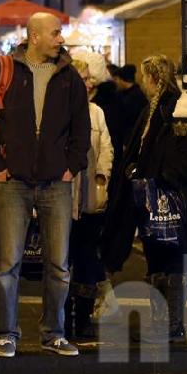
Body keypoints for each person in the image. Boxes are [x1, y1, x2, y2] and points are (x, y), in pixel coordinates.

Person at [0, 12, 91, 358]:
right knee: (8, 263)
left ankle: (53, 333)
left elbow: (81, 127)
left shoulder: (68, 76)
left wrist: (71, 166)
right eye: (55, 34)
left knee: (59, 264)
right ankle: (7, 333)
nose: (60, 39)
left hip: (56, 181)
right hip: (13, 182)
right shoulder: (4, 69)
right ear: (34, 36)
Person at [100, 55, 187, 342]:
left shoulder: (180, 107)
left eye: (145, 77)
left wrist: (162, 176)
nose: (143, 83)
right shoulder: (152, 108)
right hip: (150, 196)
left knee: (172, 258)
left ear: (154, 78)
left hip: (170, 196)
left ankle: (172, 324)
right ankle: (162, 321)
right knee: (156, 258)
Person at [66, 59, 114, 339]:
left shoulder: (96, 113)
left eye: (88, 79)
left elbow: (106, 148)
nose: (87, 84)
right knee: (62, 259)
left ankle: (82, 317)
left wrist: (101, 177)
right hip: (62, 197)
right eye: (82, 78)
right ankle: (60, 316)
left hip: (89, 199)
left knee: (84, 258)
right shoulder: (58, 111)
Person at [112, 64, 148, 154]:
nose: (116, 82)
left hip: (130, 142)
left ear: (122, 80)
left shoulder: (131, 98)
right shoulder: (137, 94)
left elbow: (129, 123)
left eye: (117, 79)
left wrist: (126, 142)